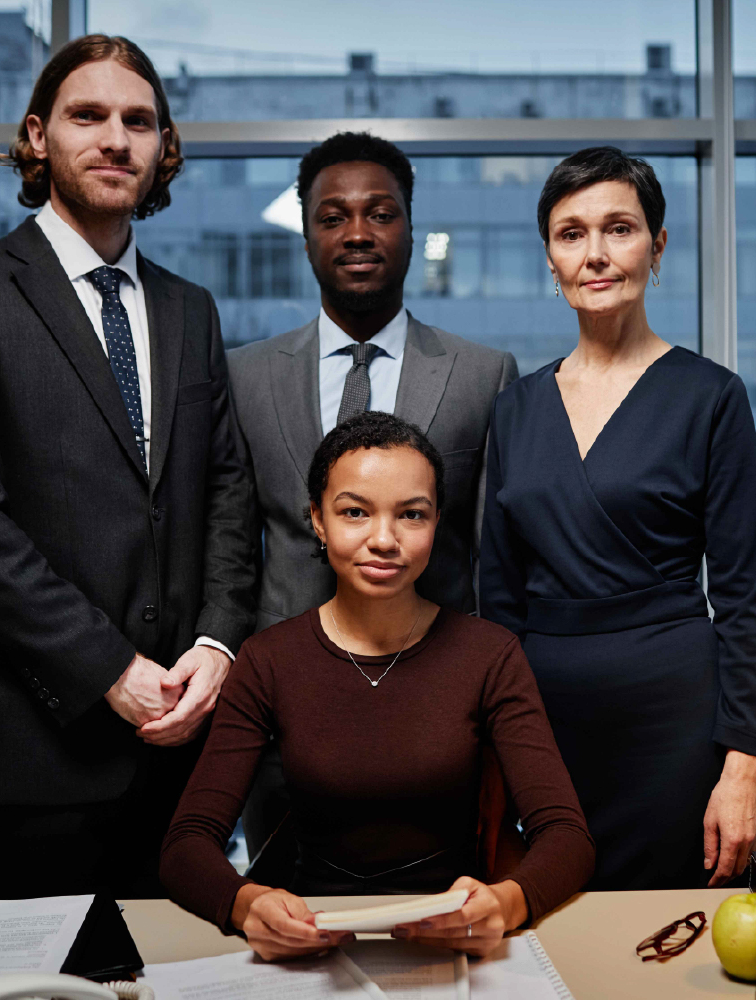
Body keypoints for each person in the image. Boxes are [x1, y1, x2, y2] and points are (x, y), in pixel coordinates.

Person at [0, 35, 254, 898]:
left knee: (184, 981)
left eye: (139, 121)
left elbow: (227, 493)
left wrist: (215, 646)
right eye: (87, 115)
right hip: (36, 749)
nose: (115, 138)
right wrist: (110, 672)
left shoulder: (189, 308)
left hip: (182, 744)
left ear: (163, 148)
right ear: (36, 135)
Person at [161, 411, 594, 961]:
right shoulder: (268, 660)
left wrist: (504, 905)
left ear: (438, 522)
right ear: (317, 519)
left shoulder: (490, 655)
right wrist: (247, 905)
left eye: (412, 514)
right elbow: (186, 843)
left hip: (453, 935)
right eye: (355, 513)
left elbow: (566, 835)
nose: (384, 539)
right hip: (308, 939)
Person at [478, 146, 756, 891]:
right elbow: (499, 602)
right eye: (571, 234)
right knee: (547, 933)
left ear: (659, 245)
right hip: (542, 722)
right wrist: (500, 749)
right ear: (549, 257)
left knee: (665, 940)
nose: (597, 253)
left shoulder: (712, 397)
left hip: (673, 720)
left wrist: (741, 769)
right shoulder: (514, 408)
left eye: (620, 228)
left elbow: (744, 597)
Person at [228, 131, 518, 854]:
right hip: (285, 721)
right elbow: (231, 549)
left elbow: (492, 560)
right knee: (283, 932)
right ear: (306, 235)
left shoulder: (483, 373)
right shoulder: (244, 377)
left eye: (380, 213)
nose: (357, 232)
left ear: (412, 230)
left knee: (439, 937)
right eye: (333, 216)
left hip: (439, 717)